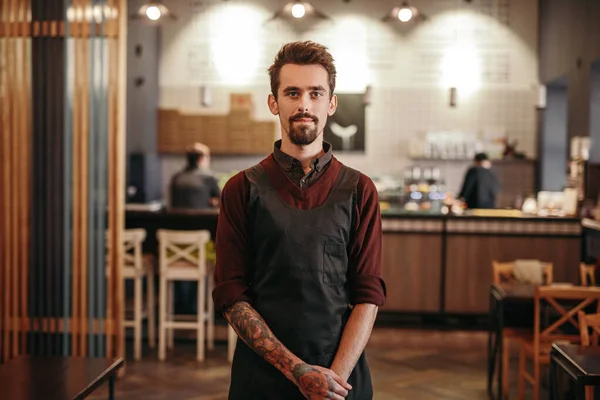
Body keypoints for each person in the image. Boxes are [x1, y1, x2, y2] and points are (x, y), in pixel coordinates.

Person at [213, 41, 386, 400]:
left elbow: (367, 294)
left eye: (315, 93)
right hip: (261, 378)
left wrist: (330, 381)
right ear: (274, 102)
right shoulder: (241, 189)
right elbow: (232, 295)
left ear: (331, 103)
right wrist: (297, 370)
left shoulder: (360, 190)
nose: (304, 104)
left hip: (341, 377)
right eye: (292, 92)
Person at [169, 142, 220, 210]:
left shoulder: (176, 178)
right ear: (201, 159)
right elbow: (220, 201)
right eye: (208, 157)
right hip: (203, 219)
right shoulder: (208, 177)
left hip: (176, 219)